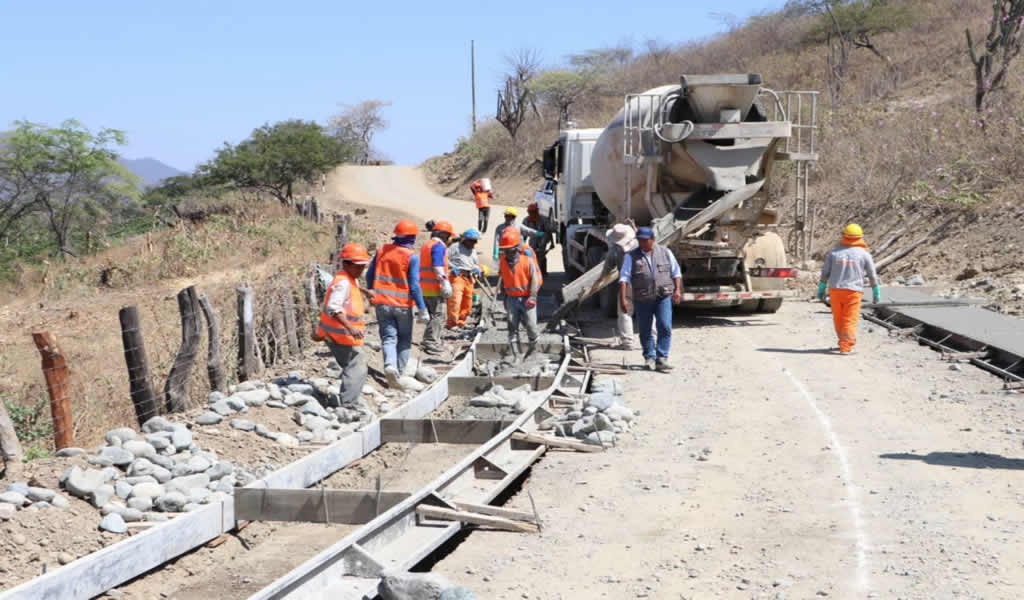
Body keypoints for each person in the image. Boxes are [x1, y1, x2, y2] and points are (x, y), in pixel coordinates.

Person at [366, 219, 430, 387]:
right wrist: (422, 308)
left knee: (388, 338)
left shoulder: (382, 251)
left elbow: (368, 275)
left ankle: (389, 366)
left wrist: (371, 292)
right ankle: (399, 373)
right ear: (412, 238)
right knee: (404, 339)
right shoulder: (411, 257)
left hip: (381, 304)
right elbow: (415, 285)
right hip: (402, 305)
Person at [312, 243, 370, 407]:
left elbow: (355, 287)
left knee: (352, 364)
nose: (360, 270)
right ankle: (348, 403)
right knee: (356, 365)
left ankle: (348, 399)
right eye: (357, 266)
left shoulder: (350, 278)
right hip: (340, 333)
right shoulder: (343, 282)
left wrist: (367, 292)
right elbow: (333, 307)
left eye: (363, 267)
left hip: (339, 333)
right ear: (346, 264)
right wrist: (350, 327)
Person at [619, 227, 682, 372]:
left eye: (644, 240)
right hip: (643, 298)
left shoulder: (665, 252)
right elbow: (624, 278)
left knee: (665, 326)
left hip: (663, 296)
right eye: (639, 240)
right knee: (645, 329)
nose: (641, 243)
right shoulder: (631, 256)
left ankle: (662, 358)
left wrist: (677, 290)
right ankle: (649, 357)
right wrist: (623, 299)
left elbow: (676, 272)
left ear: (652, 239)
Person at [817, 223, 881, 355]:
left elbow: (825, 273)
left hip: (835, 290)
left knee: (839, 317)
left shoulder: (834, 253)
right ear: (860, 237)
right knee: (850, 318)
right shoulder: (864, 254)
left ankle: (842, 341)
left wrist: (821, 288)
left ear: (844, 236)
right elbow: (872, 274)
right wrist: (876, 291)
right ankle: (846, 347)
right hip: (853, 291)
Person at [589, 223, 637, 349]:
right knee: (648, 311)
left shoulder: (616, 251)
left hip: (627, 284)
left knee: (624, 312)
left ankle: (628, 342)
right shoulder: (638, 244)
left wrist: (597, 283)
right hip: (644, 282)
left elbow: (606, 270)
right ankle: (652, 339)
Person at [498, 227, 542, 359]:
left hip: (527, 298)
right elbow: (504, 280)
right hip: (511, 299)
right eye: (504, 250)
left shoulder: (527, 260)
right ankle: (516, 355)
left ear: (517, 248)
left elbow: (535, 280)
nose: (507, 252)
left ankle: (533, 351)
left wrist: (533, 297)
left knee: (531, 327)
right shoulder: (503, 262)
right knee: (512, 328)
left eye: (509, 249)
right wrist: (504, 298)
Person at [419, 221, 454, 354]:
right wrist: (445, 282)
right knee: (437, 314)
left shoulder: (427, 245)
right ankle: (430, 341)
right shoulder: (439, 246)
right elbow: (437, 266)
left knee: (432, 314)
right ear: (444, 234)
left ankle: (430, 339)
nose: (450, 239)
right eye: (449, 236)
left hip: (424, 286)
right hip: (434, 286)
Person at [447, 228, 486, 328]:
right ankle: (452, 323)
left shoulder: (472, 251)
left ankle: (461, 322)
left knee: (467, 302)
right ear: (465, 239)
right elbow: (444, 259)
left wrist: (477, 268)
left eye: (475, 241)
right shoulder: (455, 247)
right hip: (457, 276)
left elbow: (473, 263)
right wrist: (451, 267)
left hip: (469, 278)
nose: (475, 243)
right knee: (455, 301)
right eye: (472, 240)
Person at [523, 202, 555, 277]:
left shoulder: (543, 219)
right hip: (533, 239)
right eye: (530, 212)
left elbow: (548, 231)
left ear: (537, 211)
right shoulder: (526, 220)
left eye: (533, 212)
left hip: (543, 238)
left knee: (541, 255)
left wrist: (552, 243)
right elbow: (524, 232)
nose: (532, 213)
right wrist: (522, 243)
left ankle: (541, 272)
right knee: (533, 254)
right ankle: (535, 271)